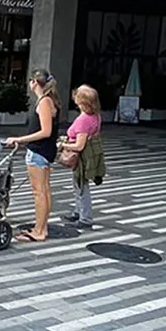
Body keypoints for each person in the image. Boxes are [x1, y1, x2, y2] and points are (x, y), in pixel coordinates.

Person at [4, 69, 60, 243]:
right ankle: (42, 228)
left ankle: (39, 231)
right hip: (46, 151)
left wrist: (20, 139)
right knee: (45, 191)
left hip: (38, 151)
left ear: (34, 82)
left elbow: (45, 131)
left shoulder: (43, 102)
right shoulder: (51, 101)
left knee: (39, 193)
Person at [59, 84, 104, 229]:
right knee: (79, 185)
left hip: (81, 158)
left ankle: (85, 218)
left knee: (81, 186)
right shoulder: (96, 116)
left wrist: (62, 146)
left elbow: (79, 145)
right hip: (90, 156)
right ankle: (78, 212)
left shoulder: (83, 120)